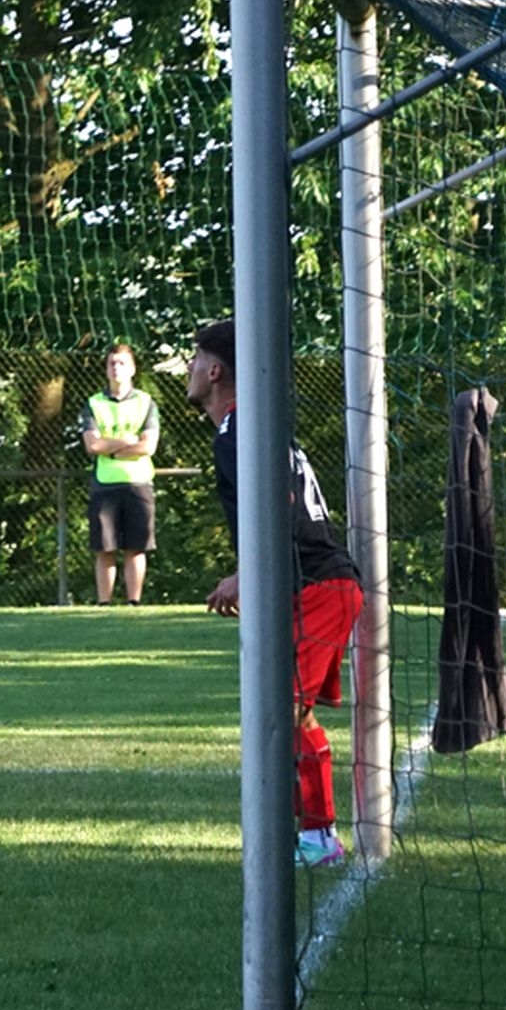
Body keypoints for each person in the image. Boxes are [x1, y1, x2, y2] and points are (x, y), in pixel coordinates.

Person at [187, 319, 362, 868]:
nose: (190, 368)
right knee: (293, 715)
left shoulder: (239, 431)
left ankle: (317, 838)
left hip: (318, 586)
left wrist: (247, 573)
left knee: (279, 712)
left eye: (195, 358)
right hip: (313, 584)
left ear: (216, 371)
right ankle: (316, 835)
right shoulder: (255, 426)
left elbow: (278, 503)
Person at [81, 343, 161, 605]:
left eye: (122, 363)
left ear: (133, 369)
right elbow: (93, 446)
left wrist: (111, 448)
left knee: (136, 548)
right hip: (105, 484)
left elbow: (148, 446)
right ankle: (104, 603)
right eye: (112, 363)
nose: (116, 368)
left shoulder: (146, 403)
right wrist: (127, 441)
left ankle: (133, 603)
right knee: (105, 548)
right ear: (106, 369)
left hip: (139, 483)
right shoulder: (94, 403)